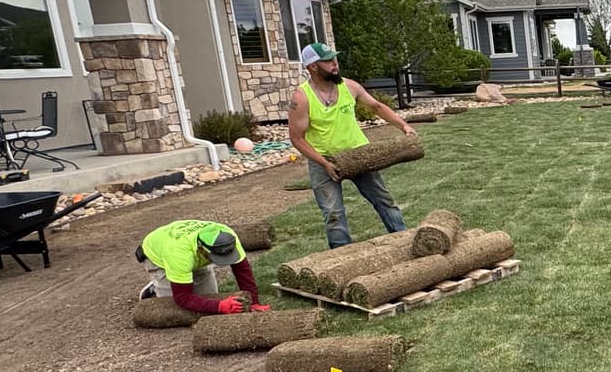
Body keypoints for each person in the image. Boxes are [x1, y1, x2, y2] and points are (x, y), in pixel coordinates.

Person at [287, 42, 415, 247]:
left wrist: (404, 126)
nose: (335, 64)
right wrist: (324, 163)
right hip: (325, 161)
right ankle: (342, 258)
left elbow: (377, 106)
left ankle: (405, 242)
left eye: (334, 58)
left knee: (385, 202)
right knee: (333, 214)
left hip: (359, 155)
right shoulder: (302, 98)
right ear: (312, 67)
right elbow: (297, 138)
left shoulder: (349, 86)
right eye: (328, 61)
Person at [136, 219, 267, 315]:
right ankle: (157, 286)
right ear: (202, 249)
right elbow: (182, 298)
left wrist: (254, 302)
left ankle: (180, 278)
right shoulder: (179, 254)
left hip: (190, 257)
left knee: (208, 299)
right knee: (176, 309)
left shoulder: (227, 235)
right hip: (159, 258)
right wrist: (220, 306)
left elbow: (242, 270)